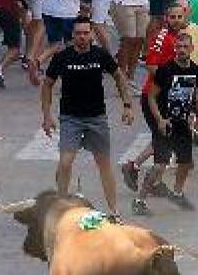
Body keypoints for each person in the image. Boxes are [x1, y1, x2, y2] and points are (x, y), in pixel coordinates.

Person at [41, 18, 133, 215]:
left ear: (91, 35)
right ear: (72, 35)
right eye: (78, 34)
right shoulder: (62, 57)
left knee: (104, 164)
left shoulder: (100, 55)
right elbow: (47, 84)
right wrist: (47, 116)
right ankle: (61, 207)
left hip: (96, 118)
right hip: (70, 118)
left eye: (85, 33)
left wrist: (127, 105)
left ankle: (114, 211)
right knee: (65, 162)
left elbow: (118, 76)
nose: (82, 37)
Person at [132, 34, 198, 215]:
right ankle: (139, 200)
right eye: (178, 46)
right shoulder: (165, 70)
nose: (181, 50)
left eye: (185, 47)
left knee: (185, 163)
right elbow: (151, 96)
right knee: (160, 165)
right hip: (165, 123)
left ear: (191, 49)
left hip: (182, 123)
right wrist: (159, 119)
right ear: (175, 48)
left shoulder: (197, 71)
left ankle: (177, 193)